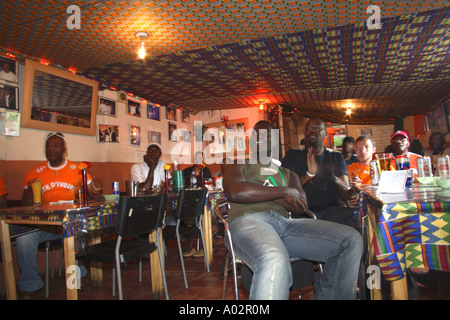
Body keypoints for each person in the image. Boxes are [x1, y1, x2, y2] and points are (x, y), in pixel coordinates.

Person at [223, 121, 362, 300]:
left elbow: (300, 205)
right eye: (257, 135)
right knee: (274, 258)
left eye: (267, 135)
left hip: (286, 224)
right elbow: (235, 191)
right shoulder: (239, 164)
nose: (261, 139)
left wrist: (264, 193)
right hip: (249, 221)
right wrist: (283, 192)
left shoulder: (288, 174)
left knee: (351, 240)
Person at [17, 132, 103, 299]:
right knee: (23, 238)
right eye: (48, 146)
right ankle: (30, 284)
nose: (51, 148)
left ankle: (76, 277)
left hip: (71, 223)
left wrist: (96, 189)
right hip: (45, 225)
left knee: (74, 231)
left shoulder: (79, 169)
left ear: (64, 149)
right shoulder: (35, 172)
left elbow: (94, 195)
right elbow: (25, 206)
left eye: (56, 145)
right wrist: (28, 190)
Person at [282, 118, 355, 227]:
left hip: (331, 212)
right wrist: (309, 175)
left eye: (317, 128)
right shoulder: (293, 154)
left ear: (325, 133)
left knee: (355, 215)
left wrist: (339, 181)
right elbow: (286, 187)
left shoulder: (336, 157)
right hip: (302, 213)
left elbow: (345, 193)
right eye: (308, 128)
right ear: (305, 133)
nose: (312, 131)